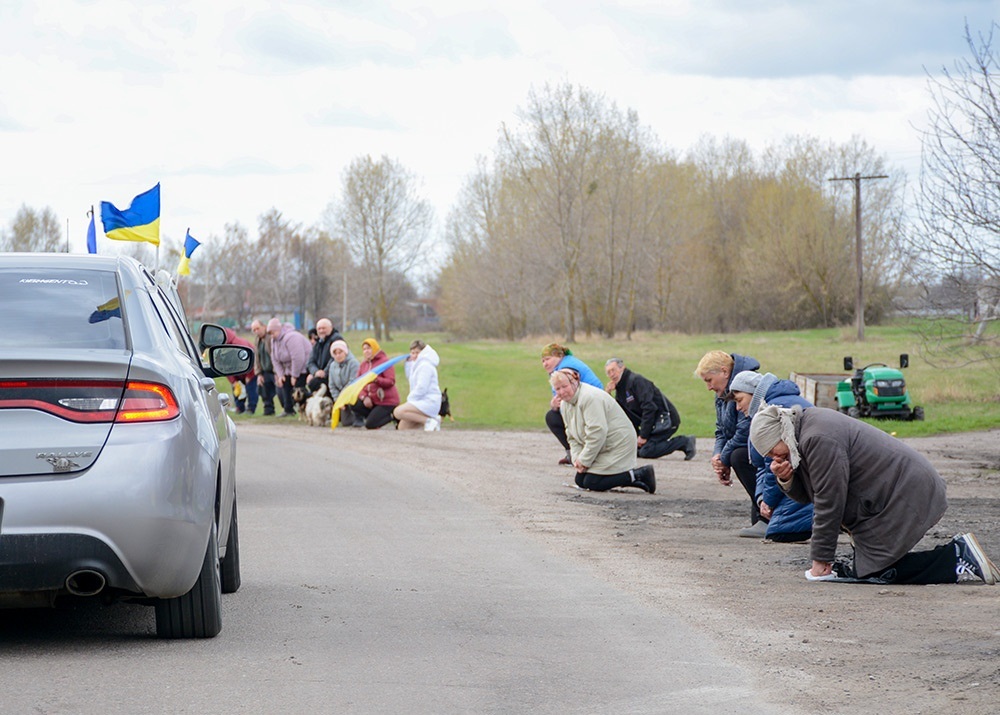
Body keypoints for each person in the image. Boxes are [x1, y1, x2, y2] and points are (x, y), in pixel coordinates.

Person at [749, 404, 1000, 585]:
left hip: (905, 492)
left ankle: (956, 556)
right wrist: (787, 477)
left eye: (773, 451)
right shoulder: (804, 430)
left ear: (781, 434)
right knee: (868, 569)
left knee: (873, 572)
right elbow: (810, 495)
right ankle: (956, 557)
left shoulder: (817, 438)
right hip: (891, 494)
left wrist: (821, 561)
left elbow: (828, 501)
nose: (774, 458)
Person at [729, 371, 813, 543]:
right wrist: (762, 499)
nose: (738, 408)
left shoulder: (774, 410)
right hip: (802, 473)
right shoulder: (766, 408)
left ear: (755, 393)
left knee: (782, 531)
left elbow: (773, 462)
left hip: (807, 473)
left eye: (739, 400)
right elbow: (762, 460)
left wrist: (768, 502)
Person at [551, 369, 655, 493]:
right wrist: (577, 459)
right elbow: (571, 435)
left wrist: (585, 460)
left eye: (564, 386)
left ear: (574, 382)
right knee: (580, 480)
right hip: (602, 445)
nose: (562, 392)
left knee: (592, 482)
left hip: (617, 444)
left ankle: (638, 474)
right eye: (557, 389)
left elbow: (597, 432)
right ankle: (631, 479)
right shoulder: (565, 404)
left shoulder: (589, 397)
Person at [694, 350, 763, 537]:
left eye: (709, 380)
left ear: (724, 372)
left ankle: (767, 515)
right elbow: (721, 430)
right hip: (749, 446)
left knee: (738, 456)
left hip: (763, 447)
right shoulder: (722, 393)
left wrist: (724, 459)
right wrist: (717, 456)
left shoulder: (746, 387)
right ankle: (762, 513)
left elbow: (744, 432)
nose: (708, 387)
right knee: (734, 454)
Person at [605, 358, 696, 461]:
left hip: (666, 421)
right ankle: (674, 443)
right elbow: (623, 414)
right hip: (652, 424)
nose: (612, 374)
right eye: (608, 372)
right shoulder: (620, 390)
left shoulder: (636, 381)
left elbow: (649, 408)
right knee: (635, 451)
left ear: (622, 368)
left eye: (613, 370)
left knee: (646, 451)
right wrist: (608, 394)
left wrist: (643, 436)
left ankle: (684, 441)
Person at [541, 343, 603, 466]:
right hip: (585, 403)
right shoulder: (562, 366)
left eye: (547, 359)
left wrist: (557, 403)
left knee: (552, 417)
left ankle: (577, 454)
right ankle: (575, 453)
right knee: (556, 413)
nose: (545, 364)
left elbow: (570, 393)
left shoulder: (567, 368)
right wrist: (555, 403)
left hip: (594, 404)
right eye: (542, 361)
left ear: (559, 356)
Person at [393, 339, 443, 431]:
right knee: (402, 427)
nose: (415, 355)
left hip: (429, 402)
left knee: (398, 412)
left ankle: (429, 421)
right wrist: (408, 364)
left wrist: (410, 400)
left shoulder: (425, 366)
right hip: (419, 401)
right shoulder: (416, 365)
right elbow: (411, 378)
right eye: (412, 353)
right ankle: (429, 424)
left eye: (417, 352)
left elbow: (421, 388)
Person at [268, 318, 312, 418]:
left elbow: (298, 357)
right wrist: (281, 375)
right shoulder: (274, 341)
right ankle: (288, 409)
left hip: (303, 367)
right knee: (284, 383)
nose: (271, 335)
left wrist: (294, 375)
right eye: (269, 333)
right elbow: (275, 359)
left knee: (299, 389)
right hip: (288, 369)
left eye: (272, 332)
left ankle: (305, 409)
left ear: (278, 329)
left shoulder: (292, 337)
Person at [353, 338, 400, 429]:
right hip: (372, 400)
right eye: (364, 349)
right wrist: (364, 397)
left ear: (375, 348)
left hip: (386, 401)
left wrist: (376, 379)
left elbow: (391, 381)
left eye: (369, 348)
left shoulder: (385, 362)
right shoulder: (363, 365)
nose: (366, 351)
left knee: (370, 425)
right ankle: (375, 417)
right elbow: (359, 383)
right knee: (354, 403)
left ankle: (393, 416)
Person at [221, 327, 258, 414]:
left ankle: (251, 408)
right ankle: (239, 407)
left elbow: (251, 359)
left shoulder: (240, 344)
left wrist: (249, 375)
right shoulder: (223, 349)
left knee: (251, 389)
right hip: (236, 373)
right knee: (237, 389)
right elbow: (224, 366)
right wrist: (233, 381)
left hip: (249, 370)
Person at [327, 339, 361, 427]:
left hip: (353, 395)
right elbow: (332, 385)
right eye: (335, 353)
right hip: (341, 398)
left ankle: (361, 415)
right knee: (346, 423)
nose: (338, 355)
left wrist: (343, 398)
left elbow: (353, 382)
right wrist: (338, 400)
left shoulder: (353, 363)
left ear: (345, 352)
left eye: (340, 352)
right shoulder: (332, 366)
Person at [306, 318, 343, 394]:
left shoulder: (336, 339)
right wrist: (315, 372)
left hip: (333, 375)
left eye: (324, 328)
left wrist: (324, 372)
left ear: (331, 328)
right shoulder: (318, 343)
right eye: (319, 329)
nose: (321, 331)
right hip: (319, 375)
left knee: (314, 383)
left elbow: (335, 358)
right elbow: (310, 362)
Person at [251, 319, 279, 416]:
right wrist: (259, 374)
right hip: (265, 370)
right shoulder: (257, 341)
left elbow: (275, 355)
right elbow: (257, 358)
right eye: (254, 330)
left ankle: (288, 409)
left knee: (280, 390)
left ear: (264, 326)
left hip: (275, 370)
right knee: (262, 389)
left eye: (257, 328)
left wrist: (277, 372)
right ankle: (268, 410)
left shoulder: (270, 338)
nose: (256, 331)